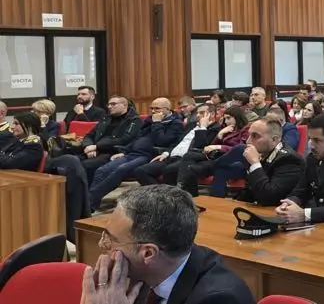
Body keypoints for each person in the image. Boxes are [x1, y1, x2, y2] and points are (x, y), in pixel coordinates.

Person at [81, 184, 254, 304]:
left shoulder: (219, 299)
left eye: (112, 240)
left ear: (148, 253)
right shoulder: (142, 275)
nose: (101, 244)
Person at [89, 98, 185, 211]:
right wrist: (124, 151)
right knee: (102, 170)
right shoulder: (150, 120)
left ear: (167, 109)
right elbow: (138, 138)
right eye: (152, 108)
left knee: (121, 169)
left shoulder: (175, 123)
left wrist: (157, 123)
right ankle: (92, 202)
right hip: (132, 153)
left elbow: (162, 141)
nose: (153, 111)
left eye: (157, 108)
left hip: (148, 155)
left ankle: (89, 202)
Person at [134, 103, 220, 186]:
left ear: (211, 114)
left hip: (187, 160)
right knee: (140, 171)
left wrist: (203, 128)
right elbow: (177, 142)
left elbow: (199, 147)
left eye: (201, 113)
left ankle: (170, 195)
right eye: (197, 113)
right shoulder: (191, 125)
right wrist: (166, 153)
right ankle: (162, 193)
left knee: (169, 170)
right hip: (171, 157)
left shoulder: (216, 129)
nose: (197, 115)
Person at [176, 106, 251, 198]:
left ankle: (187, 192)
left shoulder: (246, 130)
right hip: (219, 158)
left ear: (238, 117)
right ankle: (190, 197)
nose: (226, 121)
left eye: (229, 118)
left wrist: (220, 146)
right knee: (191, 167)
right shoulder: (225, 129)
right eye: (225, 119)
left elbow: (241, 148)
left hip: (236, 161)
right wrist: (220, 135)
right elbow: (211, 146)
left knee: (219, 168)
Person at [232, 117, 304, 206]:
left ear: (274, 140)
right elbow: (249, 190)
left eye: (255, 136)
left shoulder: (289, 160)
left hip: (277, 214)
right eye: (249, 135)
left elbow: (268, 198)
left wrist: (255, 164)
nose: (248, 141)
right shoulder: (259, 152)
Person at [75, 96, 143, 182]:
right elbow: (89, 135)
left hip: (113, 152)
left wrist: (97, 147)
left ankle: (85, 193)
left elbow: (124, 140)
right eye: (109, 104)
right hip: (92, 150)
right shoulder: (105, 119)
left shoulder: (135, 120)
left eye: (113, 104)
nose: (109, 106)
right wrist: (88, 146)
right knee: (71, 161)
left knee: (86, 165)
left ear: (124, 105)